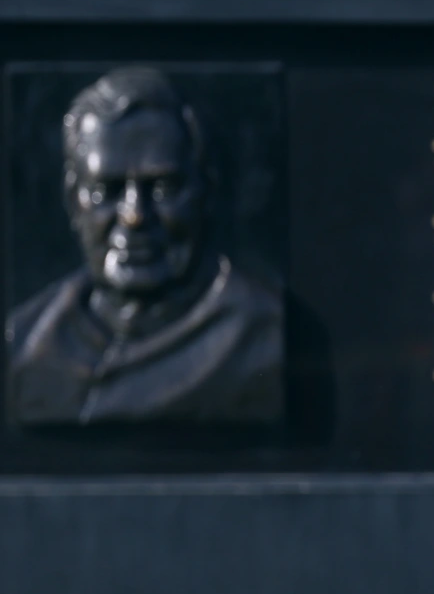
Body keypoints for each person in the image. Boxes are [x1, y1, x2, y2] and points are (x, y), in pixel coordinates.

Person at [6, 67, 283, 426]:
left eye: (164, 188)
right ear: (74, 200)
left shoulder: (260, 335)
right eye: (108, 191)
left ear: (206, 191)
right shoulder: (29, 339)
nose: (135, 216)